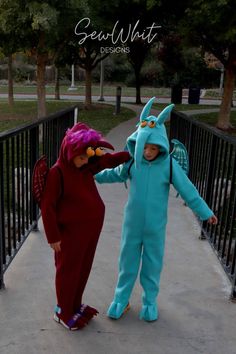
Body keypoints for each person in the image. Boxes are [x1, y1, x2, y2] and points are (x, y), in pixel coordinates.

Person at [95, 97, 218, 322]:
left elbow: (188, 190)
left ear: (161, 145)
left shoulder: (169, 165)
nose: (148, 152)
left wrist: (205, 212)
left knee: (152, 265)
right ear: (137, 143)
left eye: (153, 148)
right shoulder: (133, 162)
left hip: (155, 228)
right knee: (127, 262)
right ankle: (121, 300)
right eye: (145, 147)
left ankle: (150, 303)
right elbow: (113, 173)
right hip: (132, 225)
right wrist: (92, 175)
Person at [41, 122, 130, 330]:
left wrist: (128, 155)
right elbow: (48, 206)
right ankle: (63, 311)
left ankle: (74, 304)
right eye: (80, 158)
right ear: (69, 153)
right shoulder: (57, 173)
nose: (84, 162)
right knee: (68, 270)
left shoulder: (86, 166)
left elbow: (106, 160)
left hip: (90, 231)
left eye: (86, 157)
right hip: (70, 234)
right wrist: (53, 236)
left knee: (83, 268)